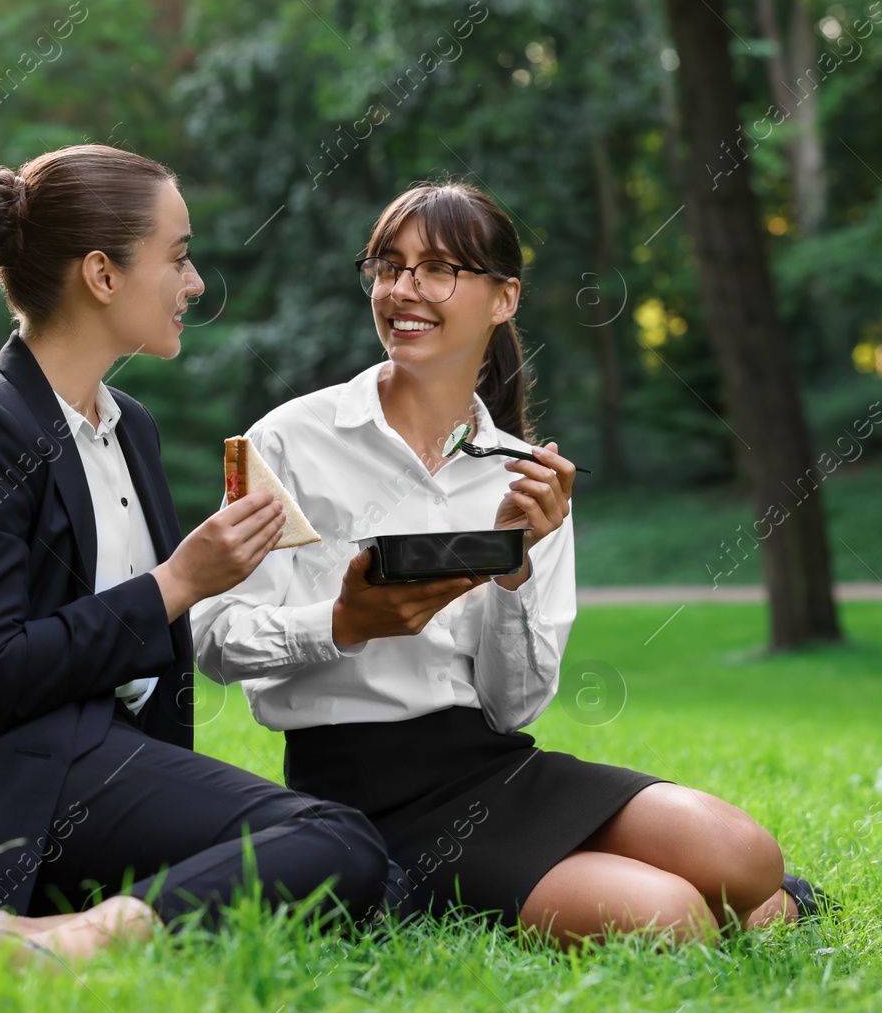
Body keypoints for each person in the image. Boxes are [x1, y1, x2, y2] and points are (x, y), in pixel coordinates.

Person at [190, 181, 829, 949]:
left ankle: (699, 890)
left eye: (438, 269)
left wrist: (516, 571)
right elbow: (211, 635)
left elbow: (513, 705)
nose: (403, 289)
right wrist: (340, 622)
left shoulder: (525, 476)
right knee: (673, 920)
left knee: (747, 856)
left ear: (504, 298)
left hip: (496, 764)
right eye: (388, 266)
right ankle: (613, 892)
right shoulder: (288, 440)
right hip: (362, 796)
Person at [0, 144, 389, 959]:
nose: (194, 283)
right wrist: (179, 582)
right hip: (11, 777)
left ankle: (51, 928)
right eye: (179, 257)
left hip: (105, 762)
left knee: (378, 875)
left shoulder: (133, 428)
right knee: (335, 841)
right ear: (102, 273)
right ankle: (80, 942)